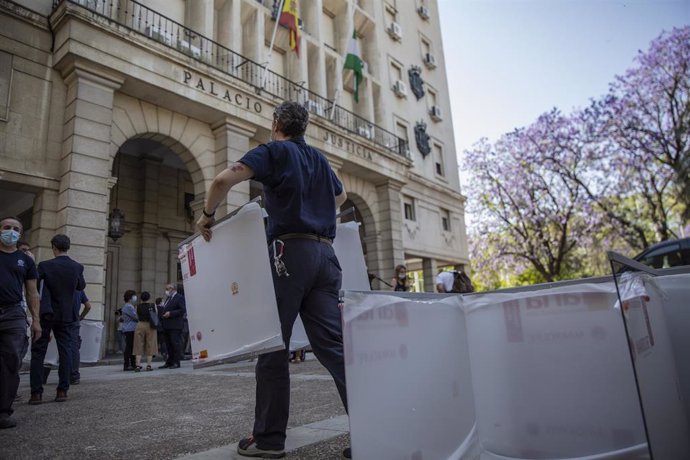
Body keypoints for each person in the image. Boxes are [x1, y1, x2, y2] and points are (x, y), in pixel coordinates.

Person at [196, 101, 349, 459]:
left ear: (276, 123)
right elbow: (339, 196)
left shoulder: (273, 151)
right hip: (326, 256)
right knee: (335, 349)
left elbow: (223, 179)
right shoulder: (320, 160)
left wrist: (206, 216)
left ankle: (268, 439)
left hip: (289, 254)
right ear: (304, 127)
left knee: (273, 344)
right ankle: (376, 430)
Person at [29, 234, 85, 405]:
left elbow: (35, 287)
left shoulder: (45, 265)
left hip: (46, 313)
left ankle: (36, 393)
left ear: (53, 247)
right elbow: (80, 286)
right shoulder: (77, 267)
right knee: (66, 352)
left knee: (38, 352)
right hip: (67, 315)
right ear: (68, 247)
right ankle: (62, 390)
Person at [0, 217, 41, 428]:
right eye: (7, 228)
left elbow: (32, 293)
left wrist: (36, 321)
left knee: (11, 361)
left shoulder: (25, 260)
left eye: (16, 229)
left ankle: (3, 412)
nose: (11, 232)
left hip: (14, 313)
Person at [159, 283, 186, 369]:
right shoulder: (168, 298)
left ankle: (176, 362)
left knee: (175, 344)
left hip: (175, 325)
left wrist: (171, 313)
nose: (166, 290)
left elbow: (182, 310)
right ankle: (169, 362)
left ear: (173, 289)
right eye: (166, 288)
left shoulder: (179, 297)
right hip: (167, 325)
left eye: (168, 289)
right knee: (168, 345)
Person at [70, 290, 92, 385]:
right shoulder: (79, 290)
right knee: (74, 348)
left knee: (61, 348)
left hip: (60, 319)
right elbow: (88, 306)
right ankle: (74, 376)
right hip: (74, 320)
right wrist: (81, 317)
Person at [133, 291, 158, 371]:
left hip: (140, 324)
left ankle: (137, 365)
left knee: (138, 344)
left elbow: (136, 315)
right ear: (149, 298)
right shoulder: (153, 305)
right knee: (150, 344)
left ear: (141, 298)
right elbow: (156, 314)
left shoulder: (137, 306)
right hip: (150, 325)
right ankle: (149, 365)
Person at [121, 290, 138, 371]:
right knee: (129, 347)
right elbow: (136, 317)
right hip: (130, 328)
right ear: (130, 298)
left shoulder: (129, 306)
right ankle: (127, 364)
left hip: (129, 328)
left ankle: (132, 364)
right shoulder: (129, 306)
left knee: (130, 347)